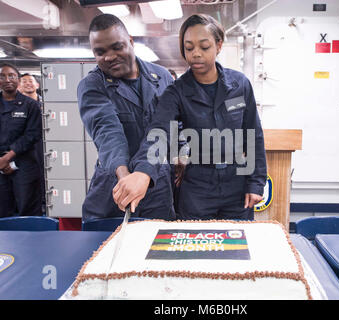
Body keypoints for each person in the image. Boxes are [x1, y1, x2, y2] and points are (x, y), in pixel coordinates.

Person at [112, 14, 267, 220]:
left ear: (218, 45)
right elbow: (159, 132)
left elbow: (253, 134)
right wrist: (143, 172)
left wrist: (255, 182)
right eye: (189, 47)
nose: (196, 54)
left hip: (236, 184)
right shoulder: (176, 92)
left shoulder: (240, 85)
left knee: (236, 246)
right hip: (198, 188)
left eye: (204, 47)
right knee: (194, 246)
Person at [77, 14, 175, 221]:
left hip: (157, 183)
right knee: (105, 247)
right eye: (100, 52)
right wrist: (126, 180)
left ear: (130, 42)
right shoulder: (92, 85)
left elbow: (165, 128)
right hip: (115, 183)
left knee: (155, 247)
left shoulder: (162, 77)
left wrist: (146, 173)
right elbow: (108, 134)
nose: (109, 57)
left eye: (116, 47)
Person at [0, 63, 43, 218]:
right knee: (1, 211)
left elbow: (32, 135)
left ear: (17, 80)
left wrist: (7, 158)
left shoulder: (31, 105)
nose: (7, 79)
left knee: (29, 210)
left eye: (12, 76)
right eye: (2, 76)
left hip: (24, 164)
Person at [19, 73, 46, 214]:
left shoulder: (47, 104)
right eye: (24, 82)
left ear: (37, 85)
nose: (28, 84)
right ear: (19, 86)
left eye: (31, 81)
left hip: (45, 144)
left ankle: (47, 203)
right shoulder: (16, 107)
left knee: (46, 174)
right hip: (25, 147)